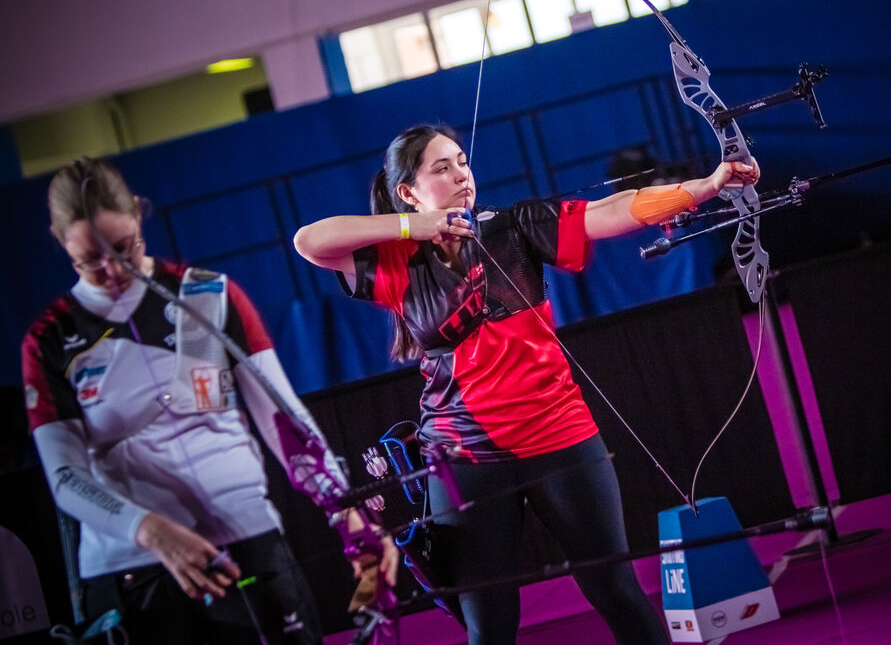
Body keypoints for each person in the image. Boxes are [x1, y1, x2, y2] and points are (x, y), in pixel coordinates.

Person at [293, 123, 760, 644]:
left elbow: (610, 210)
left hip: (560, 436)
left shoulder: (513, 227)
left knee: (616, 588)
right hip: (464, 456)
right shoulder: (396, 261)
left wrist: (706, 185)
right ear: (408, 192)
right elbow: (308, 241)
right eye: (441, 168)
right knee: (489, 625)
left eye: (463, 162)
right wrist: (413, 228)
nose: (460, 175)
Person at [20, 157, 398, 644]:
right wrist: (151, 532)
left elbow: (283, 417)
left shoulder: (205, 296)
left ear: (138, 214)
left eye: (123, 249)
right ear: (59, 240)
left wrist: (347, 514)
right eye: (90, 261)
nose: (113, 271)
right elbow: (66, 477)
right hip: (136, 570)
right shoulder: (51, 338)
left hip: (247, 540)